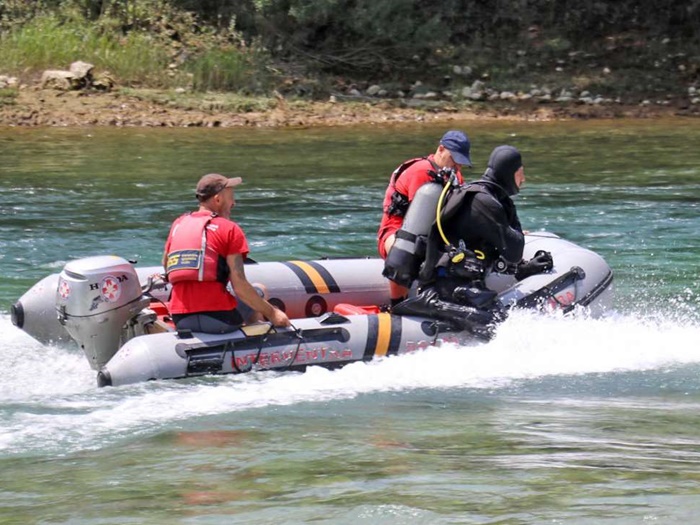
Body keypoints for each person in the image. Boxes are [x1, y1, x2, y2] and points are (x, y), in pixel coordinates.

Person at [392, 145, 553, 336]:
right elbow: (514, 250)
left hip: (459, 283)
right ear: (509, 173)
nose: (523, 180)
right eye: (520, 173)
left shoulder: (478, 195)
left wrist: (524, 270)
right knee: (498, 327)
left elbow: (488, 253)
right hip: (447, 289)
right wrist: (510, 212)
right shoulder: (484, 202)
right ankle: (429, 303)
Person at [163, 173, 290, 333]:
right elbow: (240, 287)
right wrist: (273, 313)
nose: (234, 203)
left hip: (181, 320)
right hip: (220, 320)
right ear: (218, 199)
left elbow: (166, 265)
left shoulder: (178, 224)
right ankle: (254, 341)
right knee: (259, 291)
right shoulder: (229, 229)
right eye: (231, 197)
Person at [377, 130, 472, 307]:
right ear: (441, 149)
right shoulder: (420, 171)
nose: (457, 166)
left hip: (434, 234)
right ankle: (397, 304)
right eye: (454, 159)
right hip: (396, 234)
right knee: (410, 245)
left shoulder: (455, 175)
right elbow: (420, 219)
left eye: (461, 162)